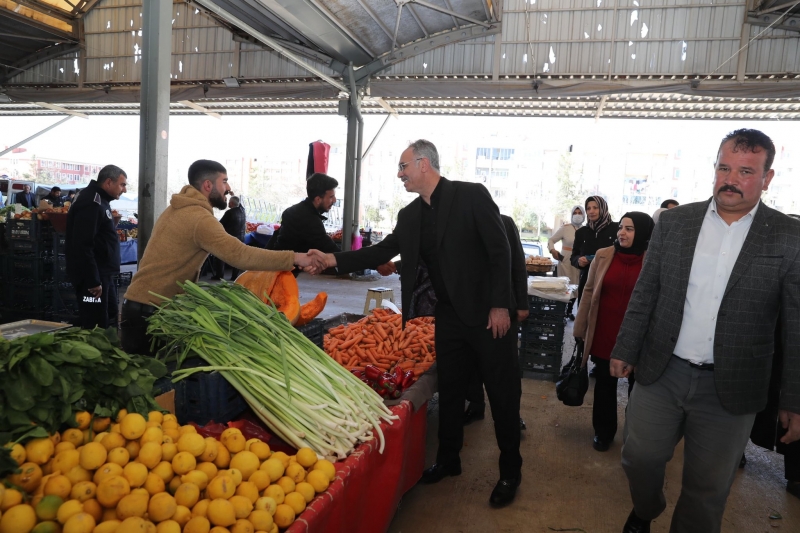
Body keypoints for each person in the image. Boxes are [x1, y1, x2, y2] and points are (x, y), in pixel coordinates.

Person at [310, 140, 522, 506]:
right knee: (451, 391)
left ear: (424, 164)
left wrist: (501, 305)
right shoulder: (410, 216)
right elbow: (382, 251)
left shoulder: (471, 195)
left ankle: (510, 472)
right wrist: (332, 260)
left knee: (502, 395)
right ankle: (449, 459)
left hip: (488, 316)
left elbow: (500, 250)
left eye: (403, 166)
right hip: (449, 316)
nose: (400, 174)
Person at [610, 128, 800, 533]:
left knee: (707, 489)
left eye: (745, 171)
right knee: (638, 458)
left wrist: (794, 398)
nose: (730, 179)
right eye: (724, 168)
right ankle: (646, 509)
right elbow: (646, 290)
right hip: (663, 370)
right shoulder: (675, 223)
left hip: (732, 385)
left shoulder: (789, 237)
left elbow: (797, 325)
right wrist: (625, 347)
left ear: (767, 178)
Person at [120, 159, 324, 356]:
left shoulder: (176, 208)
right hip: (150, 312)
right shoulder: (199, 218)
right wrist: (295, 258)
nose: (228, 188)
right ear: (208, 185)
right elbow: (240, 255)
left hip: (142, 306)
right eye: (224, 181)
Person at [573, 212, 654, 452]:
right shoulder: (603, 255)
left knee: (637, 389)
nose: (622, 233)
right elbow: (588, 292)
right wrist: (580, 328)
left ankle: (634, 434)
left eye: (629, 229)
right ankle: (603, 431)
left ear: (643, 232)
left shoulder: (653, 259)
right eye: (621, 227)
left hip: (638, 337)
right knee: (605, 385)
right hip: (605, 331)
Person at [464, 214, 529, 430]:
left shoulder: (505, 222)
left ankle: (512, 415)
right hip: (470, 310)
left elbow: (518, 264)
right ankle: (476, 405)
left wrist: (522, 303)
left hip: (503, 309)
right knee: (472, 363)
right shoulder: (461, 223)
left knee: (506, 368)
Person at [65, 165, 127, 329]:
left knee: (110, 314)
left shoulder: (100, 200)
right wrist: (92, 280)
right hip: (93, 278)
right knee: (95, 323)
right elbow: (83, 245)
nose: (124, 190)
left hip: (103, 274)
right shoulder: (91, 202)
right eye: (122, 185)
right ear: (108, 182)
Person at [269, 172, 341, 257]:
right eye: (331, 197)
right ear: (318, 199)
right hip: (287, 263)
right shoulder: (310, 220)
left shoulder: (294, 210)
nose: (334, 200)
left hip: (278, 258)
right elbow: (332, 251)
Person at [570, 196, 616, 306]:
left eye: (595, 208)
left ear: (603, 208)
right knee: (584, 312)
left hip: (609, 281)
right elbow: (573, 256)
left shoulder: (616, 229)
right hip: (587, 281)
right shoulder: (581, 232)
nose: (591, 211)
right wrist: (578, 261)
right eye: (588, 208)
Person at [548, 205, 584, 320]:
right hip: (565, 261)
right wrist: (552, 250)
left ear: (584, 215)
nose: (577, 215)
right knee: (564, 287)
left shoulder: (586, 230)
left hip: (579, 261)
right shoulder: (565, 228)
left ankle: (569, 311)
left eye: (580, 213)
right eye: (575, 213)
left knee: (576, 287)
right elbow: (551, 240)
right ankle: (561, 311)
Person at [212, 195, 247, 281]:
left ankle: (219, 275)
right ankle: (235, 276)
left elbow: (220, 224)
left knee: (220, 255)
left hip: (230, 238)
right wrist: (232, 195)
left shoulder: (229, 213)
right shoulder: (242, 210)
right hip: (241, 238)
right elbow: (240, 204)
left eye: (229, 202)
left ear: (231, 203)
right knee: (237, 258)